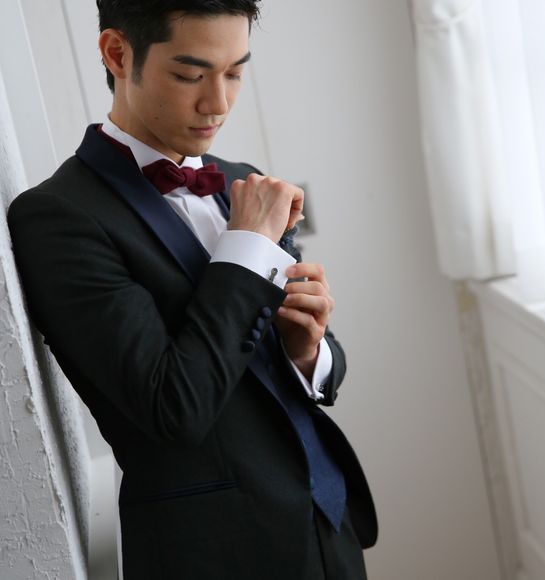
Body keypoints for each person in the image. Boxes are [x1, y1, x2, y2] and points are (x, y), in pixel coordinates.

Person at [8, 1, 377, 578]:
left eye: (235, 72)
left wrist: (310, 353)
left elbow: (294, 368)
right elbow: (173, 408)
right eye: (189, 74)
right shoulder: (58, 217)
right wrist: (247, 248)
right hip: (214, 552)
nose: (219, 103)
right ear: (117, 53)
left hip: (328, 520)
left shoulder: (242, 182)